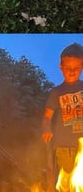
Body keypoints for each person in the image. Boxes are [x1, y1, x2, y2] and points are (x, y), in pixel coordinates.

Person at [41, 43, 83, 192]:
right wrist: (46, 128)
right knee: (66, 186)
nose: (72, 72)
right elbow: (47, 117)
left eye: (76, 68)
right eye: (68, 68)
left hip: (82, 146)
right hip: (63, 148)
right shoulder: (56, 92)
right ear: (61, 67)